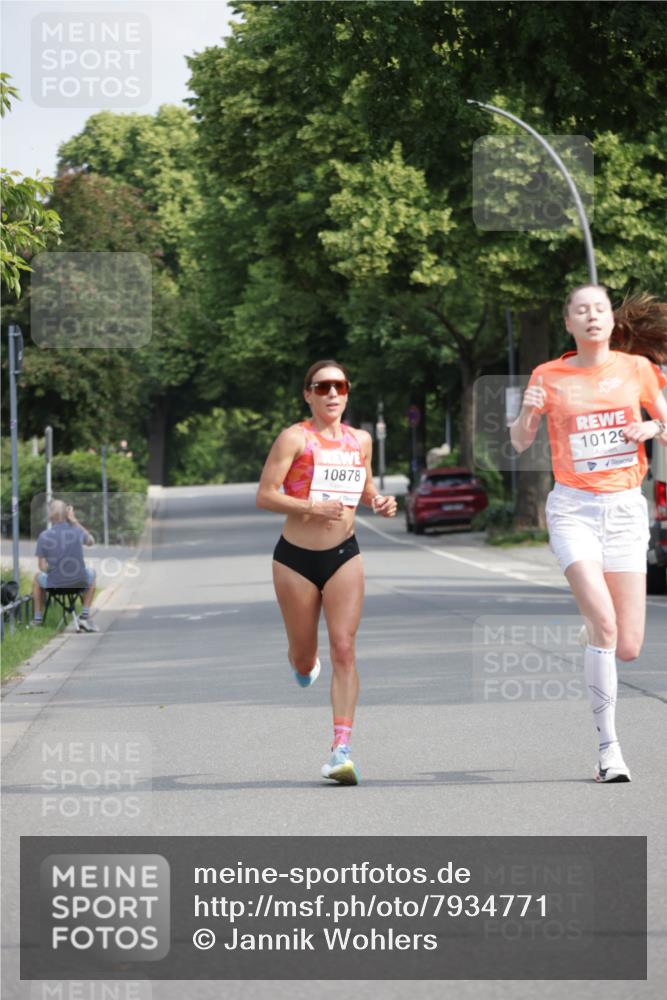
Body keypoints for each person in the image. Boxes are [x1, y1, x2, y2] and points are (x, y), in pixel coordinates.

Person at [511, 286, 667, 782]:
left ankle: (594, 631)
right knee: (605, 624)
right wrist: (528, 412)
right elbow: (518, 443)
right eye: (582, 310)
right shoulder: (547, 375)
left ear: (609, 321)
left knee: (628, 647)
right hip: (574, 508)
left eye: (600, 308)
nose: (592, 316)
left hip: (624, 509)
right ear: (569, 324)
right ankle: (609, 751)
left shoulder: (635, 369)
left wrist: (650, 430)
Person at [256, 360, 397, 785]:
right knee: (305, 655)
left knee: (344, 647)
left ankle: (341, 750)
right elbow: (265, 495)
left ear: (348, 393)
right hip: (295, 559)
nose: (332, 394)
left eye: (340, 386)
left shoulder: (361, 440)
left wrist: (378, 501)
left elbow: (365, 485)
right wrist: (310, 507)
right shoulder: (295, 438)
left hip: (344, 555)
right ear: (308, 394)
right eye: (323, 387)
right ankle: (303, 662)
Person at [32, 500, 99, 633]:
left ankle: (37, 619)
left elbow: (41, 566)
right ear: (67, 514)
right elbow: (91, 541)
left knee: (36, 578)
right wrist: (74, 520)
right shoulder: (77, 531)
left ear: (50, 516)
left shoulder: (44, 536)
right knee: (92, 573)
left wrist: (52, 571)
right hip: (79, 583)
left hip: (55, 585)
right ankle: (85, 615)